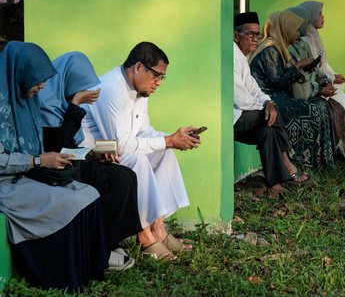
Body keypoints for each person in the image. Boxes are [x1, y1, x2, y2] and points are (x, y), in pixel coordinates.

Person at [0, 41, 108, 291]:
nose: (42, 87)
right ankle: (60, 278)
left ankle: (89, 271)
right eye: (37, 80)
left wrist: (48, 158)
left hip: (26, 175)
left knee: (89, 193)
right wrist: (38, 160)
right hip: (6, 185)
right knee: (71, 202)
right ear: (19, 73)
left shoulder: (26, 101)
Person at [81, 42, 199, 260]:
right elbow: (122, 146)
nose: (158, 83)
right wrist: (169, 140)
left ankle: (158, 228)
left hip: (114, 152)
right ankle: (144, 235)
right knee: (138, 160)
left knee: (164, 153)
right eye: (156, 75)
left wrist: (175, 137)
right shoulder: (111, 89)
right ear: (138, 67)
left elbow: (145, 131)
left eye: (162, 78)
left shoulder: (139, 91)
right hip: (91, 156)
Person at [39, 51, 142, 270]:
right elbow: (58, 145)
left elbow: (72, 145)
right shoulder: (45, 103)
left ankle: (111, 240)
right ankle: (98, 250)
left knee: (126, 175)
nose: (81, 94)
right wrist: (76, 103)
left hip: (71, 161)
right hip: (50, 169)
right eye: (78, 88)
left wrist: (95, 153)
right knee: (117, 182)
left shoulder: (62, 101)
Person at [233, 12, 309, 196]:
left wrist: (267, 102)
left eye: (257, 34)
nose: (254, 39)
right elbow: (240, 98)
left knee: (267, 131)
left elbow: (254, 89)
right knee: (271, 116)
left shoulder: (242, 57)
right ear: (236, 35)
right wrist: (266, 108)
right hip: (233, 117)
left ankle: (274, 183)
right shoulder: (232, 57)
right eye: (249, 34)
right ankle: (287, 162)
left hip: (246, 115)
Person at [249, 10, 335, 169]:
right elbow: (278, 81)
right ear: (284, 29)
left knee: (319, 105)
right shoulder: (270, 49)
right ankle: (302, 162)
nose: (297, 33)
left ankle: (320, 161)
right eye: (295, 29)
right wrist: (299, 65)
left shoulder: (277, 46)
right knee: (311, 110)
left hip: (276, 94)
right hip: (268, 97)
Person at [296, 1, 345, 155]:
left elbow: (322, 64)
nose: (323, 17)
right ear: (310, 16)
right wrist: (329, 79)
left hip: (322, 83)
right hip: (314, 88)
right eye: (319, 14)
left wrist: (333, 75)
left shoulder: (315, 37)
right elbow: (312, 69)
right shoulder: (305, 41)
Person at [286, 6, 345, 159]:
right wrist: (320, 88)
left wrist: (327, 80)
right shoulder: (290, 45)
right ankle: (325, 155)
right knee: (335, 105)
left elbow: (317, 67)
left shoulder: (303, 42)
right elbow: (297, 76)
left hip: (311, 87)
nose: (323, 17)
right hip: (300, 91)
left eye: (300, 28)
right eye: (319, 13)